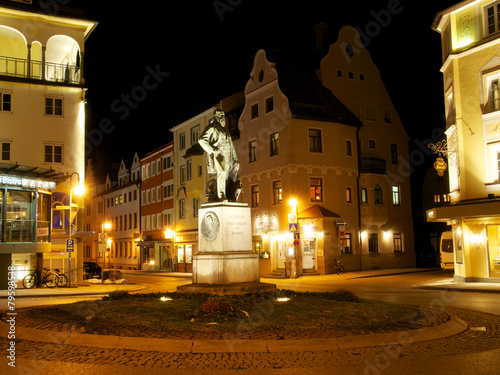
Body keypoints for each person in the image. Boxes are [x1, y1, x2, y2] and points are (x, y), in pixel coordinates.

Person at [198, 109, 239, 201]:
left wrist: (235, 157)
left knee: (230, 173)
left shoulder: (226, 130)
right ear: (216, 117)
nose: (223, 118)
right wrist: (212, 150)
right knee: (222, 172)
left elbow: (231, 145)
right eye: (221, 116)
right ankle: (221, 195)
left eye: (223, 116)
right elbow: (201, 140)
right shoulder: (212, 127)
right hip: (219, 154)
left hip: (228, 154)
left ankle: (230, 194)